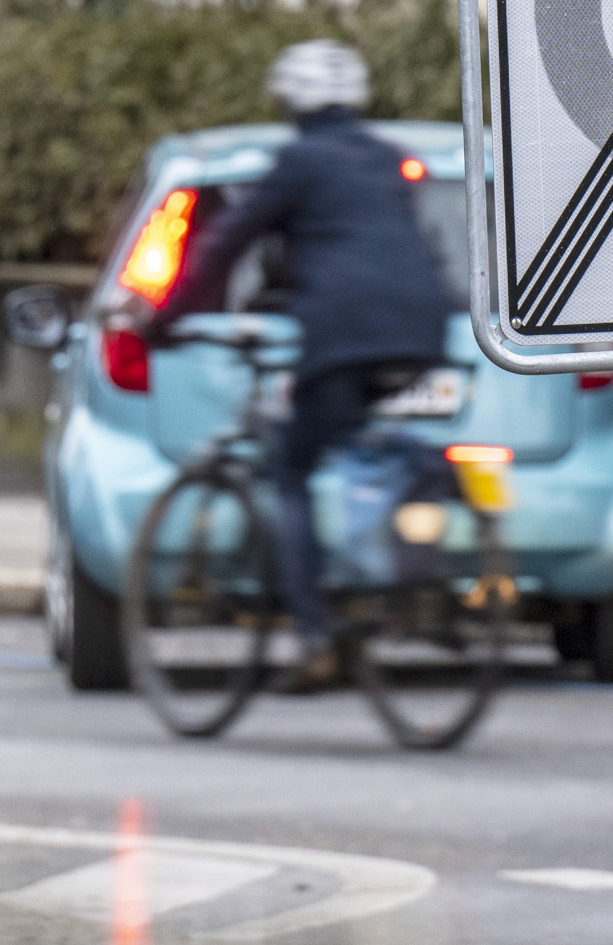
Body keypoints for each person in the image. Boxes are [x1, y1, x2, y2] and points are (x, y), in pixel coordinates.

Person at [144, 40, 454, 691]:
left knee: (290, 469)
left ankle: (314, 637)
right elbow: (372, 248)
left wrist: (164, 317)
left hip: (344, 335)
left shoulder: (300, 159)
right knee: (360, 441)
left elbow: (228, 241)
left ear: (293, 103)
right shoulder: (386, 159)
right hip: (424, 328)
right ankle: (412, 558)